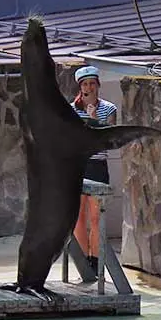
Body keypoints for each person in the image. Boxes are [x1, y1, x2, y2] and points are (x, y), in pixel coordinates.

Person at [71, 66, 118, 271]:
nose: (89, 87)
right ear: (80, 87)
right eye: (85, 84)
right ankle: (83, 260)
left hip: (98, 164)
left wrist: (94, 120)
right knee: (78, 214)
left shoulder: (109, 109)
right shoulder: (72, 109)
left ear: (98, 86)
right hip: (78, 164)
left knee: (96, 215)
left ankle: (95, 258)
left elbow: (108, 139)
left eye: (92, 83)